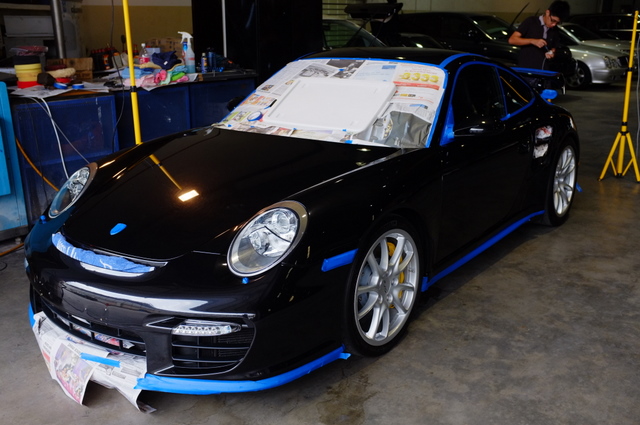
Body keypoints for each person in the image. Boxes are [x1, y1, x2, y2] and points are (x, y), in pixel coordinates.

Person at [508, 1, 571, 70]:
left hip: (543, 70)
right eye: (553, 20)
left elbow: (554, 47)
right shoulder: (531, 21)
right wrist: (532, 41)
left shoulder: (555, 30)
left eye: (557, 23)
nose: (554, 24)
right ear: (547, 12)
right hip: (526, 69)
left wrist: (552, 53)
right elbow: (512, 40)